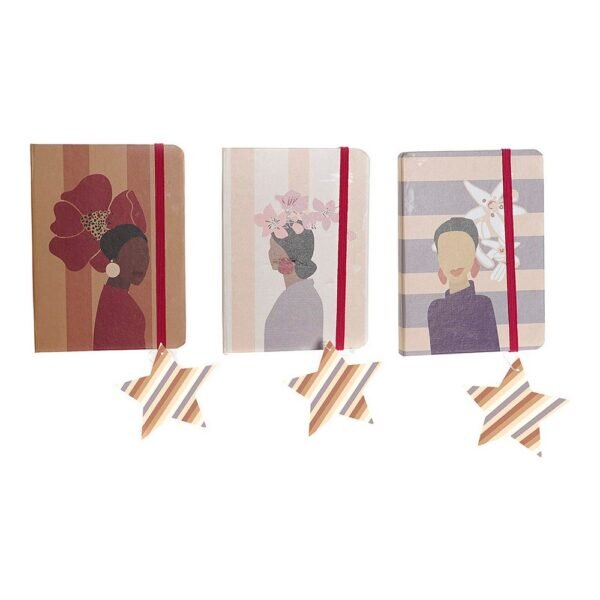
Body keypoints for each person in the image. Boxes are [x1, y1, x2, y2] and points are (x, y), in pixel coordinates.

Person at [427, 217, 499, 354]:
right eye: (447, 253)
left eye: (462, 250)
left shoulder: (483, 305)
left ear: (473, 256)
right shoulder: (436, 309)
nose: (455, 260)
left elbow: (493, 351)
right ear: (439, 260)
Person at [264, 224, 323, 351]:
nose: (270, 253)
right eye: (270, 248)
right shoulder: (298, 294)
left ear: (293, 253)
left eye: (274, 248)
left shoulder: (303, 299)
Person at [93, 224, 149, 350]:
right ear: (115, 259)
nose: (142, 262)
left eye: (145, 254)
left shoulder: (108, 295)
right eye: (134, 253)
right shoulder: (124, 307)